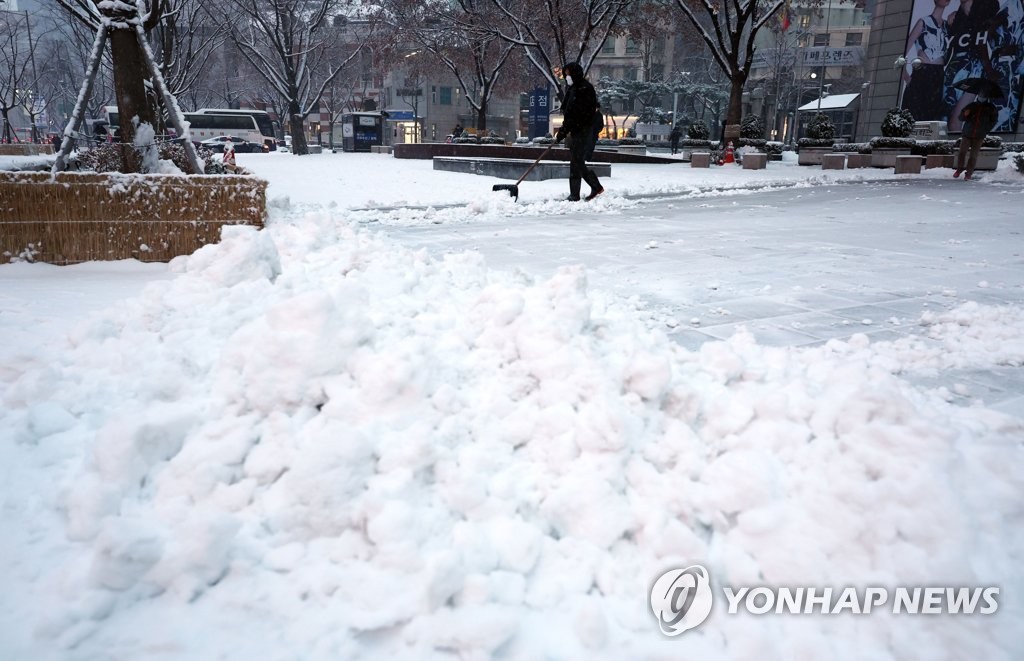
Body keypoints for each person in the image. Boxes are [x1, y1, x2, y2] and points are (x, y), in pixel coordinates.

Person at [944, 0, 1001, 131]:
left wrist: (988, 69)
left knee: (954, 120)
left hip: (974, 68)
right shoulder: (956, 16)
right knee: (946, 117)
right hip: (953, 69)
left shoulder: (987, 7)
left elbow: (981, 43)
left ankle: (959, 146)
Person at [555, 61, 604, 201]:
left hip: (583, 130)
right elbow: (569, 112)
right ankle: (586, 189)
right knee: (576, 161)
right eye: (565, 74)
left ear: (575, 73)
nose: (566, 76)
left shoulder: (584, 89)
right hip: (576, 130)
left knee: (576, 161)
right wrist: (564, 130)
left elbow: (576, 113)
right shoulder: (574, 88)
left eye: (568, 74)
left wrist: (564, 131)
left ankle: (588, 189)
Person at [900, 0, 952, 122]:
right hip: (923, 71)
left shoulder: (946, 26)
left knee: (933, 115)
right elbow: (902, 54)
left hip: (939, 73)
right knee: (916, 112)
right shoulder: (923, 22)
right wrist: (906, 77)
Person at [953, 94, 998, 179]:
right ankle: (959, 169)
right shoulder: (971, 105)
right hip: (967, 133)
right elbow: (960, 118)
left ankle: (969, 173)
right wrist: (965, 114)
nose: (982, 97)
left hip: (979, 135)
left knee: (973, 155)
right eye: (981, 94)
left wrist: (986, 129)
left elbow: (994, 120)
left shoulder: (991, 108)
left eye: (984, 95)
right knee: (962, 152)